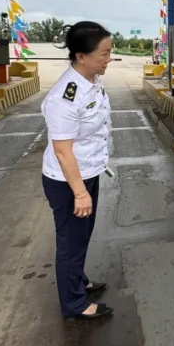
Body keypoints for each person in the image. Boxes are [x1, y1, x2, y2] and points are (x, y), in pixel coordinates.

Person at [41, 21, 114, 319]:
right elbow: (62, 150)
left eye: (110, 52)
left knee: (81, 237)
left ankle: (78, 281)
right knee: (70, 243)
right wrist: (80, 193)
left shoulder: (91, 82)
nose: (108, 58)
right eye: (104, 53)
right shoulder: (66, 96)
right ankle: (74, 304)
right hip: (69, 181)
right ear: (81, 56)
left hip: (88, 172)